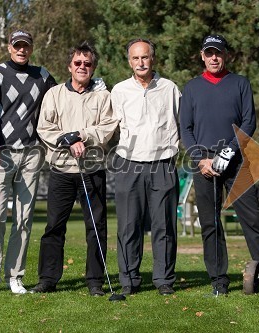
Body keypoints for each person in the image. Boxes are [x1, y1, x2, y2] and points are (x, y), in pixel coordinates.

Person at [180, 34, 259, 295]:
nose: (214, 57)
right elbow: (186, 128)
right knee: (210, 223)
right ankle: (219, 282)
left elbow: (248, 123)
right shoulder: (192, 87)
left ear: (225, 54)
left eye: (218, 52)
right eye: (209, 53)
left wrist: (228, 152)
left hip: (236, 160)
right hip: (204, 162)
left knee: (252, 219)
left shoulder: (240, 83)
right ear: (202, 56)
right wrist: (200, 159)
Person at [30, 41, 118, 296]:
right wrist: (67, 140)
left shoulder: (103, 96)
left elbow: (107, 127)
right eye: (77, 63)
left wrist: (82, 136)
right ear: (69, 66)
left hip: (92, 169)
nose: (82, 67)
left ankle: (95, 281)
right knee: (54, 227)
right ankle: (48, 279)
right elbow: (44, 127)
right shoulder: (54, 94)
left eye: (87, 64)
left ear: (93, 67)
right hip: (61, 170)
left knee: (96, 226)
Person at [0, 29, 57, 295]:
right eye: (17, 45)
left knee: (24, 219)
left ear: (31, 48)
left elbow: (61, 99)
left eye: (26, 46)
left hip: (32, 154)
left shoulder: (42, 76)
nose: (21, 50)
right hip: (2, 153)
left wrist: (94, 85)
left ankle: (15, 276)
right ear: (9, 47)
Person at [111, 38, 181, 296]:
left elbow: (181, 124)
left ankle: (163, 279)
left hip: (162, 163)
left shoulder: (169, 88)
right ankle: (129, 280)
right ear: (129, 61)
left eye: (145, 57)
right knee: (129, 227)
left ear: (153, 59)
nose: (140, 62)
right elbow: (109, 126)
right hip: (129, 165)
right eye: (135, 58)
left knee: (164, 227)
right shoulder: (119, 90)